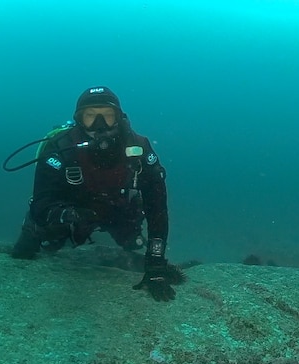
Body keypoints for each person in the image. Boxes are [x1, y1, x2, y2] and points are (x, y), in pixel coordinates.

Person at [11, 87, 178, 302]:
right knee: (31, 249)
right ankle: (35, 230)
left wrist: (156, 261)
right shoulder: (59, 148)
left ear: (119, 117)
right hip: (74, 210)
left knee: (133, 244)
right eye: (90, 116)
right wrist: (65, 215)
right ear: (79, 119)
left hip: (116, 210)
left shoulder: (139, 148)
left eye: (108, 116)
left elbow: (157, 206)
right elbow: (42, 201)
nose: (100, 124)